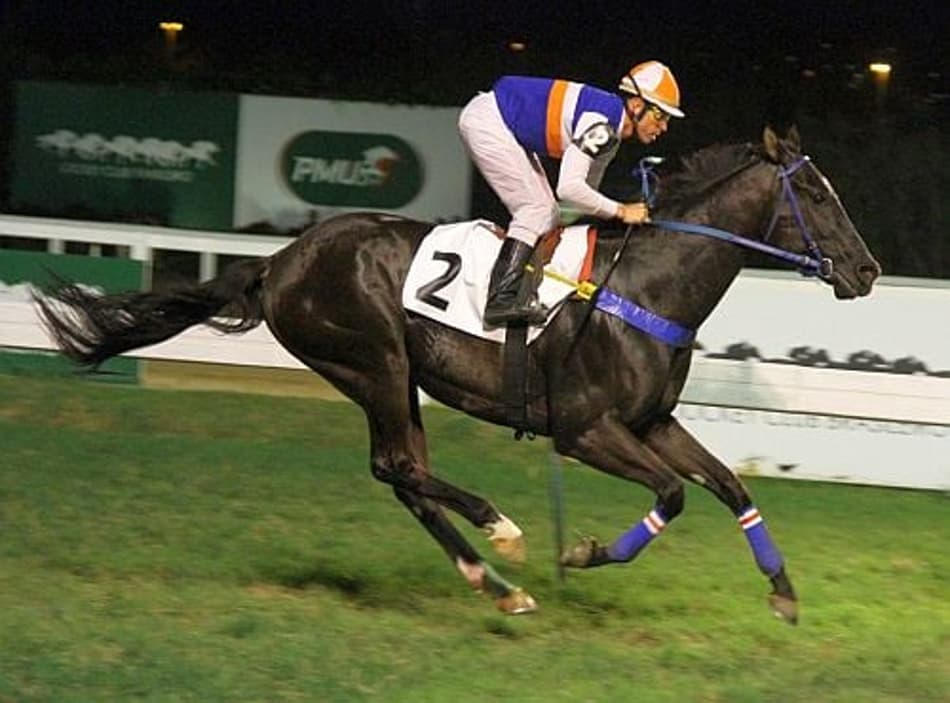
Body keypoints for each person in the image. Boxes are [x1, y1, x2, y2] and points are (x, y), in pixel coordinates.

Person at [458, 61, 685, 328]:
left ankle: (515, 290)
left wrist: (621, 213)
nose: (664, 126)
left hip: (501, 124)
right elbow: (569, 188)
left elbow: (583, 197)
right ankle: (500, 299)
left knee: (547, 213)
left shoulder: (610, 135)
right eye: (661, 115)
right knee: (536, 210)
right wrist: (622, 211)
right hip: (489, 122)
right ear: (636, 105)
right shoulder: (603, 128)